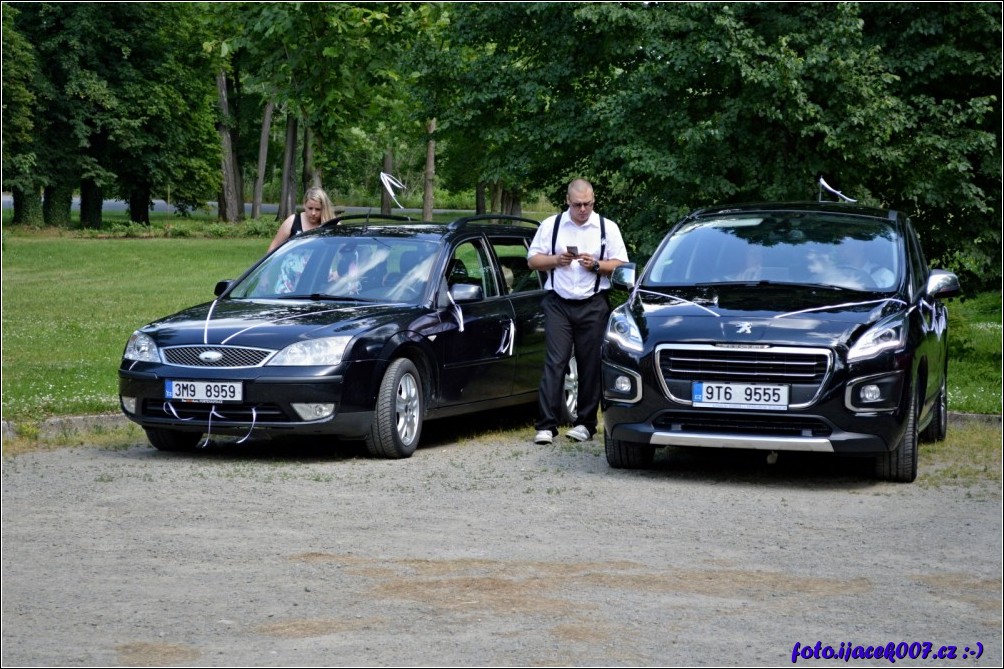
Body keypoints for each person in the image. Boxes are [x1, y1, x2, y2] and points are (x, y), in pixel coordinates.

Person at [527, 179, 628, 445]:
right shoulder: (552, 225)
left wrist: (596, 265)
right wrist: (555, 260)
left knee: (589, 364)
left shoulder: (607, 227)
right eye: (577, 204)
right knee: (555, 362)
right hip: (558, 302)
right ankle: (546, 426)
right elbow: (532, 259)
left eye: (588, 204)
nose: (583, 209)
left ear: (594, 200)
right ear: (568, 201)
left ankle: (585, 423)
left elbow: (621, 264)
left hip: (593, 302)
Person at [267, 186, 336, 253]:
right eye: (310, 208)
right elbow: (273, 248)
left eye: (318, 209)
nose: (313, 213)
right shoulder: (292, 221)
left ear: (324, 209)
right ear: (304, 205)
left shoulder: (331, 224)